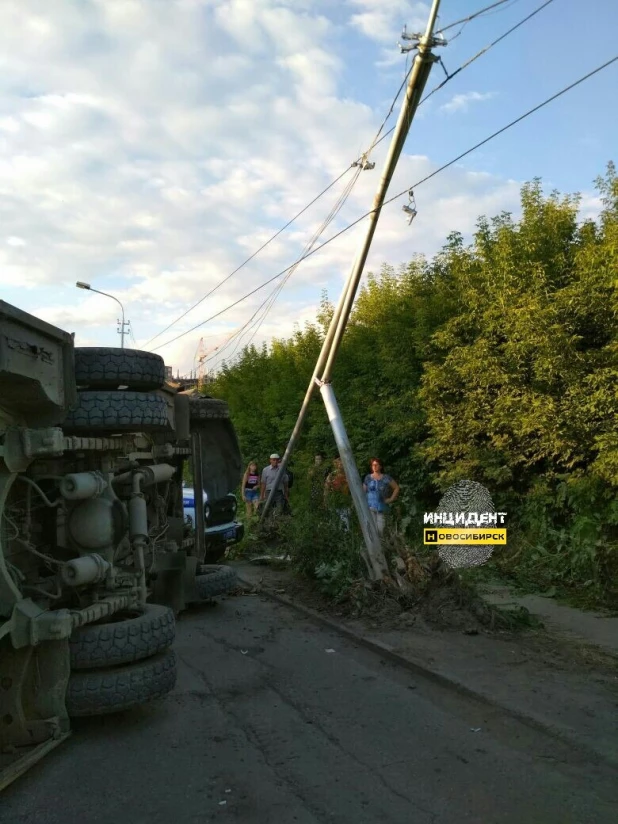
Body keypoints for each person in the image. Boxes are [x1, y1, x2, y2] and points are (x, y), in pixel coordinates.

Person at [363, 458, 400, 537]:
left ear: (381, 466)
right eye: (373, 465)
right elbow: (363, 491)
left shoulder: (386, 477)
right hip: (370, 507)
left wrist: (391, 499)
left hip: (381, 507)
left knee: (380, 529)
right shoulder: (368, 478)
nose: (374, 466)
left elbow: (396, 488)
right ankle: (373, 548)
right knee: (372, 530)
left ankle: (382, 546)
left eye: (376, 465)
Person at [324, 456, 351, 530]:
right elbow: (326, 488)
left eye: (341, 461)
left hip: (345, 502)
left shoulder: (349, 475)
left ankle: (345, 539)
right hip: (334, 502)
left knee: (345, 523)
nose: (339, 464)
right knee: (333, 523)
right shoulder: (332, 475)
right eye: (337, 462)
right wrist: (325, 500)